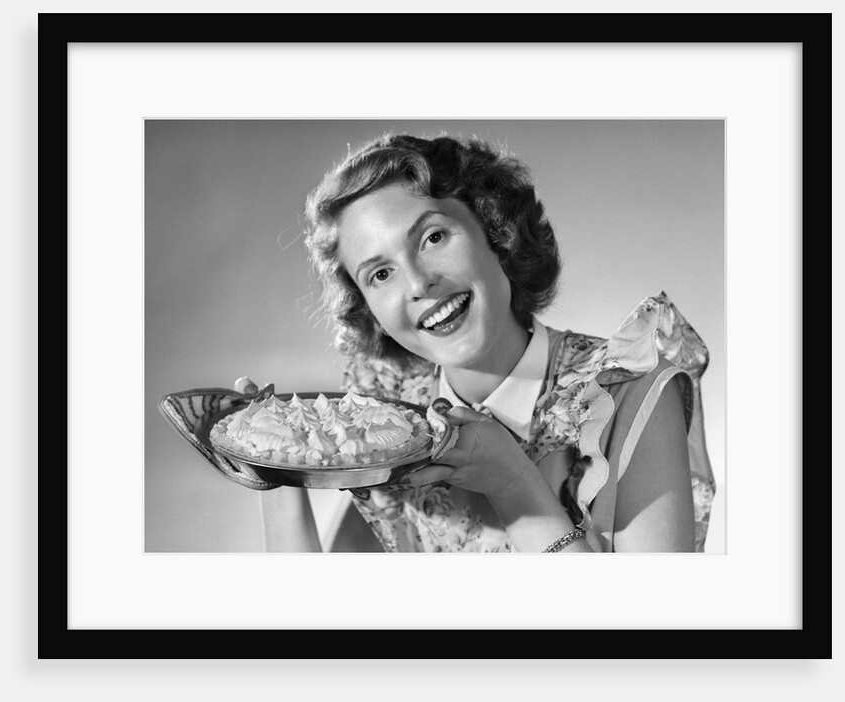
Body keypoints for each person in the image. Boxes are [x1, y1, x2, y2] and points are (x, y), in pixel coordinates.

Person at [165, 132, 712, 553]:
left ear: (495, 231)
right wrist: (275, 467)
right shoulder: (392, 424)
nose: (418, 284)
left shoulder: (631, 392)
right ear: (369, 310)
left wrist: (514, 484)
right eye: (380, 274)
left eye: (432, 237)